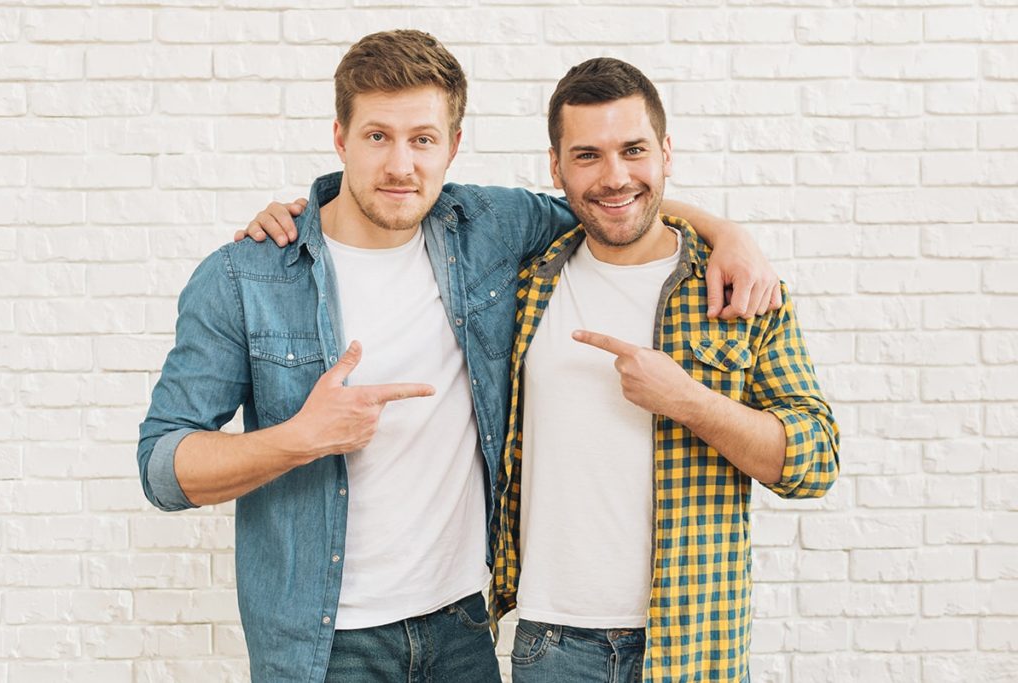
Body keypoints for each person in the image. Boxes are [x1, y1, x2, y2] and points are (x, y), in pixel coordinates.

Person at [138, 31, 779, 683]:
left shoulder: (485, 228)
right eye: (377, 137)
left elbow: (610, 199)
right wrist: (300, 439)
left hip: (463, 632)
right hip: (327, 646)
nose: (400, 166)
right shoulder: (245, 277)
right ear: (340, 137)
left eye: (422, 139)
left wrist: (730, 233)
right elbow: (163, 468)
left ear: (453, 145)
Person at [483, 58, 840, 683]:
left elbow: (813, 465)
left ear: (666, 152)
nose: (615, 176)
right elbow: (407, 209)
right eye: (587, 155)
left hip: (695, 642)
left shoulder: (740, 288)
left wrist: (689, 400)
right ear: (555, 166)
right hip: (551, 643)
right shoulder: (521, 286)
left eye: (634, 150)